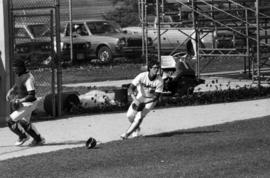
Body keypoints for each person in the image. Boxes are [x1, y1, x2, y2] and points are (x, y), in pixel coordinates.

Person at [121, 59, 164, 139]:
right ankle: (136, 128)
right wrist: (135, 100)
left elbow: (156, 97)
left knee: (139, 117)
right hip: (140, 97)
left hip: (150, 100)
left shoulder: (159, 80)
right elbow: (130, 89)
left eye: (157, 68)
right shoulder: (142, 76)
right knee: (129, 115)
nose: (156, 70)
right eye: (154, 68)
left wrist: (145, 103)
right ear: (149, 68)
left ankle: (126, 134)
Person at [6, 59, 45, 146]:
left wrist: (19, 100)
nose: (14, 69)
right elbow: (18, 84)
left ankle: (23, 136)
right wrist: (11, 90)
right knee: (23, 123)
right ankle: (38, 139)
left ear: (21, 68)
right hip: (26, 103)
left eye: (15, 68)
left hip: (29, 104)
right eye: (13, 68)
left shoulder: (28, 78)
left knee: (10, 120)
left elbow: (32, 96)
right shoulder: (21, 75)